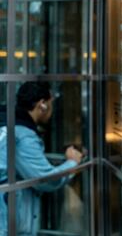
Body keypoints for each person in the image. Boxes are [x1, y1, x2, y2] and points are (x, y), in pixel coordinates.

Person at [0, 82, 83, 236]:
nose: (52, 111)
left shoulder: (6, 124)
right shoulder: (22, 136)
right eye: (51, 105)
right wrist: (72, 163)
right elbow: (45, 180)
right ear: (42, 105)